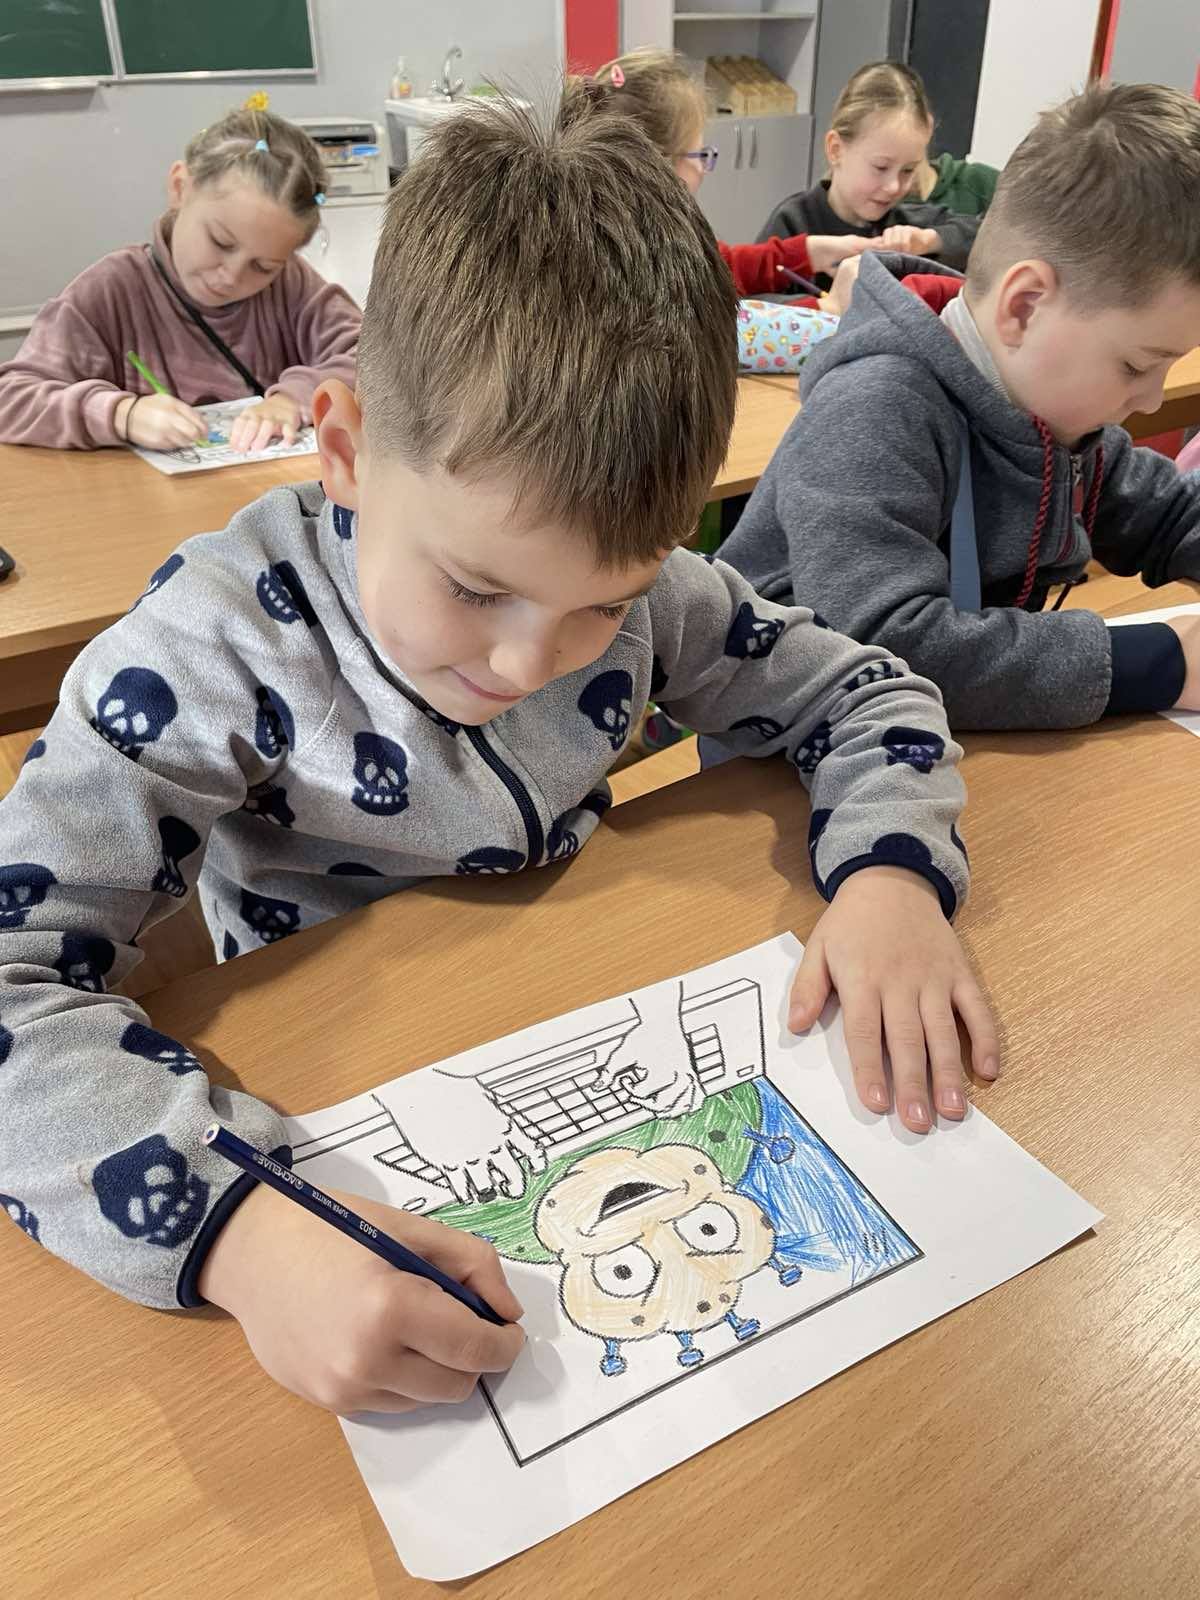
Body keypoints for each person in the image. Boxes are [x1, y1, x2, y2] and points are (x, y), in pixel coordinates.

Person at [0, 91, 996, 1418]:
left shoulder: (652, 597)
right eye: (475, 588)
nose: (532, 661)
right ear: (346, 449)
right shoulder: (215, 645)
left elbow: (867, 691)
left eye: (599, 604)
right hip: (331, 1086)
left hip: (572, 1001)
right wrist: (233, 1232)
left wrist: (891, 877)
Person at [720, 83, 1200, 730]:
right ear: (1024, 307)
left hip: (943, 726)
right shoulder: (874, 408)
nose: (1151, 398)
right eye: (1137, 365)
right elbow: (883, 647)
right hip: (793, 742)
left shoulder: (1053, 414)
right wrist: (1161, 661)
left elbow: (1166, 514)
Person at [0, 108, 360, 453]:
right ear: (179, 187)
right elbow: (11, 398)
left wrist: (294, 398)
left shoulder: (291, 283)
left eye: (263, 266)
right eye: (220, 242)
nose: (231, 276)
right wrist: (121, 414)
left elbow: (375, 357)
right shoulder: (110, 290)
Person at [587, 48, 881, 294]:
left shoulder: (629, 228)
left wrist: (809, 252)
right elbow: (728, 319)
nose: (703, 168)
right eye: (700, 154)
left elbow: (720, 266)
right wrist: (824, 308)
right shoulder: (637, 265)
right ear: (656, 166)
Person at [757, 61, 979, 288]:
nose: (894, 187)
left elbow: (985, 237)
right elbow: (750, 300)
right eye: (881, 167)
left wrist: (930, 241)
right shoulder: (793, 222)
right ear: (836, 150)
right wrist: (825, 305)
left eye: (908, 170)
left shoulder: (909, 226)